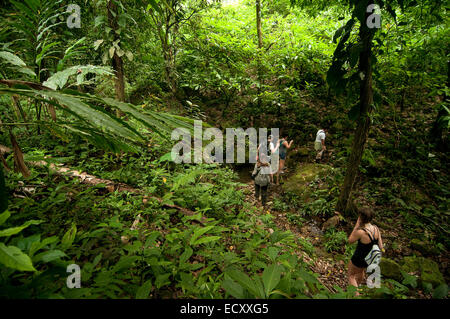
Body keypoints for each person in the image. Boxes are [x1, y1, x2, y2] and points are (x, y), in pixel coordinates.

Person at [347, 207, 384, 290]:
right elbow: (381, 246)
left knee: (351, 275)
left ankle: (355, 294)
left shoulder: (361, 232)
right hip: (368, 259)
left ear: (360, 218)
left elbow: (350, 241)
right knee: (360, 271)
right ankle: (358, 286)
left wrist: (356, 226)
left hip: (358, 258)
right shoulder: (376, 229)